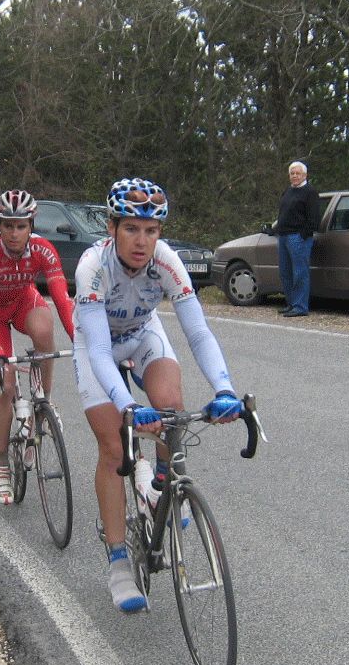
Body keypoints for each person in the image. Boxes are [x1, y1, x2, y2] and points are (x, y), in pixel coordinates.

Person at [72, 177, 243, 613]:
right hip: (98, 346)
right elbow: (98, 351)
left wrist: (224, 389)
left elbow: (198, 332)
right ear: (112, 227)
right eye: (131, 228)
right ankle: (117, 560)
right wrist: (128, 405)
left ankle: (160, 487)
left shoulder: (166, 261)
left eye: (151, 231)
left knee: (171, 406)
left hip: (142, 334)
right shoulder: (93, 266)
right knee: (114, 449)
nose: (141, 241)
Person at [0, 189, 75, 505]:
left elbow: (62, 299)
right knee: (6, 385)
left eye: (21, 226)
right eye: (8, 226)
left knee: (44, 329)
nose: (14, 233)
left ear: (31, 226)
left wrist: (82, 342)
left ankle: (44, 399)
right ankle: (2, 464)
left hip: (22, 302)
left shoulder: (43, 249)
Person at [276, 160, 323, 317]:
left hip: (298, 237)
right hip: (283, 236)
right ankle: (291, 303)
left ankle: (300, 306)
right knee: (285, 272)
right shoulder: (288, 191)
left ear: (305, 175)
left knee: (300, 273)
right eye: (292, 173)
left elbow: (314, 218)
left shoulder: (310, 192)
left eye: (298, 173)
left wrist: (303, 234)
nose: (295, 176)